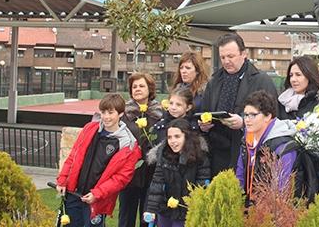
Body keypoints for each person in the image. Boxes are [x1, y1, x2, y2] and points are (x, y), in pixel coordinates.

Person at [56, 93, 141, 227]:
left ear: (120, 114)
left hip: (96, 200)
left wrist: (97, 193)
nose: (106, 117)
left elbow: (121, 178)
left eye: (110, 113)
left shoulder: (128, 144)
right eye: (103, 112)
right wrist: (62, 180)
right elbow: (73, 156)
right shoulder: (90, 129)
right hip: (74, 193)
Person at [200, 33, 277, 176]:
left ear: (244, 54)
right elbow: (205, 110)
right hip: (217, 153)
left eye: (230, 56)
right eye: (223, 57)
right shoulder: (214, 81)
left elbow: (272, 118)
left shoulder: (261, 80)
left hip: (248, 153)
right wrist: (204, 125)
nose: (226, 61)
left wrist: (243, 123)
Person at [143, 118, 210, 227]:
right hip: (165, 210)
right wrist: (151, 209)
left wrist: (192, 206)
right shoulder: (164, 155)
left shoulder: (200, 158)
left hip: (187, 211)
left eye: (177, 136)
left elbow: (202, 187)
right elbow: (157, 184)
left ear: (187, 137)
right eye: (169, 137)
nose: (173, 141)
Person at [236, 90, 297, 206]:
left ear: (268, 116)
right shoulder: (247, 139)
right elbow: (240, 176)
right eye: (245, 115)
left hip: (274, 211)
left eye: (253, 115)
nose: (247, 119)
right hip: (249, 207)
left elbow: (280, 190)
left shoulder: (283, 146)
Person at [118, 72, 164, 227]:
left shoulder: (160, 114)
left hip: (152, 173)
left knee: (148, 218)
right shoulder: (123, 115)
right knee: (126, 218)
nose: (137, 89)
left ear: (149, 89)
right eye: (134, 86)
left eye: (141, 86)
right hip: (129, 173)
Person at [278, 55, 319, 120]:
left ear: (309, 75)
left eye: (298, 75)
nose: (293, 79)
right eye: (291, 75)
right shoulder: (282, 101)